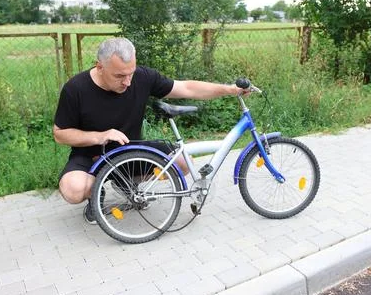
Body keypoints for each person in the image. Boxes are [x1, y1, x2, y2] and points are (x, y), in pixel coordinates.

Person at [53, 37, 245, 224]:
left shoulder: (143, 77)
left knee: (182, 164)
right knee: (73, 189)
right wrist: (100, 136)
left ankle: (126, 182)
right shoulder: (76, 88)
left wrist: (229, 90)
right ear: (100, 66)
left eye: (131, 73)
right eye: (119, 76)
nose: (127, 82)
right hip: (91, 156)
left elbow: (186, 88)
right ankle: (96, 193)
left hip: (131, 150)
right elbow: (60, 133)